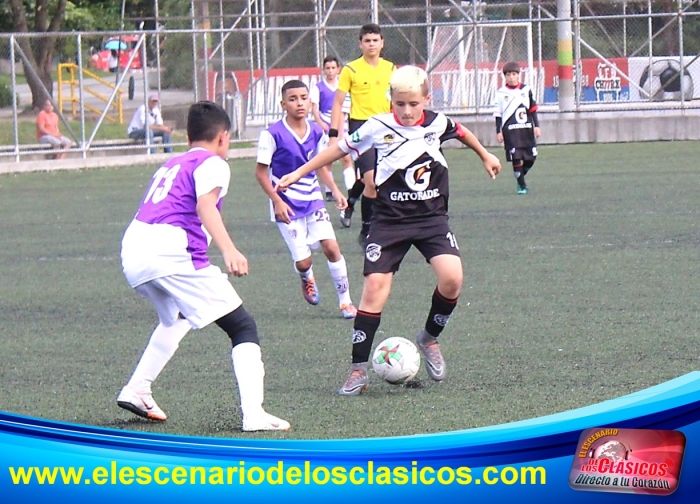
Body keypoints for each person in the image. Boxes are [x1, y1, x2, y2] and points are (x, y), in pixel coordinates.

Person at [277, 66, 501, 395]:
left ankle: (428, 338)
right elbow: (337, 149)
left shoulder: (437, 122)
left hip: (431, 219)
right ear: (391, 101)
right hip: (389, 221)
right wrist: (299, 173)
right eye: (400, 104)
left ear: (427, 99)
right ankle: (358, 370)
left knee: (452, 278)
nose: (407, 111)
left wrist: (485, 154)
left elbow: (461, 131)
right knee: (374, 290)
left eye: (414, 104)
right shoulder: (376, 126)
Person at [118, 101, 290, 431]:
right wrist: (229, 250)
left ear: (187, 135)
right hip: (170, 253)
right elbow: (204, 205)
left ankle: (138, 388)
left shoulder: (173, 162)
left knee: (178, 318)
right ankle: (254, 413)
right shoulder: (213, 162)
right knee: (242, 326)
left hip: (134, 252)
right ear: (223, 137)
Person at [255, 80, 357, 320]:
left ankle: (346, 302)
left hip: (312, 199)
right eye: (293, 99)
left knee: (332, 248)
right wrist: (276, 201)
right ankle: (306, 276)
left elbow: (320, 165)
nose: (299, 103)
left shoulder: (317, 132)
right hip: (286, 204)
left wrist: (336, 190)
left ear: (310, 102)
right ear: (283, 104)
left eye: (303, 97)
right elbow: (261, 173)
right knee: (303, 262)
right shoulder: (272, 134)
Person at [328, 23, 396, 244]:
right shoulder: (351, 69)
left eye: (375, 40)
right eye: (367, 41)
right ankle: (367, 230)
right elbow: (338, 103)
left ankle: (350, 203)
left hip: (386, 128)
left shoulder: (391, 68)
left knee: (376, 179)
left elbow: (397, 99)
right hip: (361, 129)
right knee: (371, 180)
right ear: (360, 44)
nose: (371, 44)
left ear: (382, 43)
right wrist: (333, 134)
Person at [309, 55, 355, 200]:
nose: (330, 71)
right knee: (326, 160)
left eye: (333, 68)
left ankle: (352, 190)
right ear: (323, 70)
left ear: (338, 70)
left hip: (342, 128)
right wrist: (322, 125)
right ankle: (329, 191)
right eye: (327, 68)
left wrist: (340, 132)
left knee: (346, 159)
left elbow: (343, 110)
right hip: (325, 130)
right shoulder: (318, 88)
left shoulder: (343, 87)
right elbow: (315, 109)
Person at [494, 61, 541, 195]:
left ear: (518, 75)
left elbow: (532, 109)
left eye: (514, 74)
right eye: (508, 74)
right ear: (505, 77)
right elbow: (498, 114)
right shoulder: (501, 93)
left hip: (526, 129)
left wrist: (536, 126)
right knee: (516, 157)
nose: (511, 77)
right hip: (510, 131)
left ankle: (520, 175)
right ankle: (522, 185)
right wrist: (498, 131)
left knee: (531, 158)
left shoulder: (526, 90)